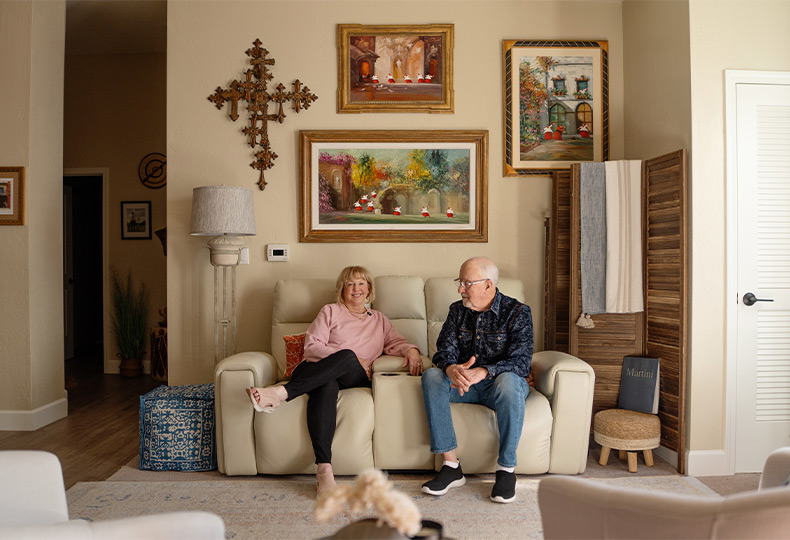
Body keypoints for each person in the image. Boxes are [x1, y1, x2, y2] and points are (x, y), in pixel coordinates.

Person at [246, 266, 423, 495]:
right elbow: (311, 347)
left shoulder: (379, 320)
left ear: (369, 289)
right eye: (350, 284)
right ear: (342, 290)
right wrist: (347, 357)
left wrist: (412, 351)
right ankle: (324, 472)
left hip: (353, 377)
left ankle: (281, 393)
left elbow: (398, 342)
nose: (356, 289)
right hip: (314, 371)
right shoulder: (330, 311)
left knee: (348, 357)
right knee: (328, 382)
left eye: (361, 283)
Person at [420, 257, 533, 504]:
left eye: (466, 283)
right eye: (459, 282)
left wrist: (484, 371)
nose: (460, 289)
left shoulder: (517, 313)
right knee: (431, 376)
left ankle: (506, 470)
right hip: (464, 386)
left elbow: (521, 362)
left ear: (488, 285)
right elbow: (442, 351)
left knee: (509, 381)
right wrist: (450, 368)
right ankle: (451, 466)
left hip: (500, 387)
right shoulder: (456, 311)